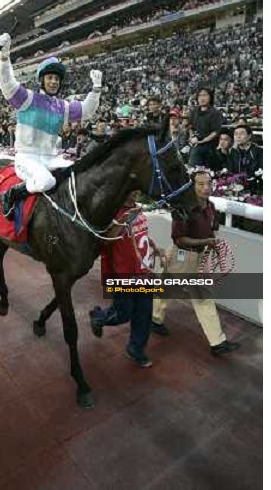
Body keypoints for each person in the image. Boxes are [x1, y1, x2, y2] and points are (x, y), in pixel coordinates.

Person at [0, 32, 103, 217]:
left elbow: (87, 110)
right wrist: (4, 57)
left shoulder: (63, 106)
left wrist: (96, 89)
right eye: (50, 78)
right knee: (46, 182)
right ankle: (11, 194)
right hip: (27, 158)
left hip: (51, 158)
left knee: (79, 176)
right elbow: (7, 82)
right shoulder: (27, 98)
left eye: (57, 79)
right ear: (42, 80)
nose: (54, 81)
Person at [151, 171, 240, 356]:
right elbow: (179, 240)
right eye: (200, 184)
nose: (206, 188)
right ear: (192, 186)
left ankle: (155, 320)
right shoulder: (182, 208)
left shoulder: (211, 206)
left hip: (195, 257)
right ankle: (217, 342)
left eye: (208, 183)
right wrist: (206, 243)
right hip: (182, 256)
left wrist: (214, 243)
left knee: (175, 290)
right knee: (194, 296)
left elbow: (213, 229)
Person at [89, 190, 160, 367]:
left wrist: (152, 245)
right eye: (129, 190)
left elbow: (139, 233)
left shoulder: (138, 209)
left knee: (144, 313)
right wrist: (123, 219)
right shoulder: (113, 212)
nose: (132, 194)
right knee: (122, 314)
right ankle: (98, 317)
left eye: (136, 191)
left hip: (143, 271)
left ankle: (136, 349)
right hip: (123, 273)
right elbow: (107, 240)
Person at [188, 88, 223, 168]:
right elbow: (190, 127)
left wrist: (201, 141)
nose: (202, 98)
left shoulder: (215, 112)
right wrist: (192, 137)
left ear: (210, 97)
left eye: (205, 95)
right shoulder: (194, 111)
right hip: (194, 143)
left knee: (197, 152)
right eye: (200, 95)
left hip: (209, 145)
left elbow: (215, 132)